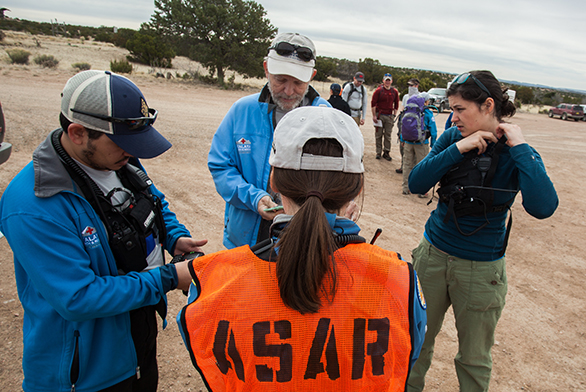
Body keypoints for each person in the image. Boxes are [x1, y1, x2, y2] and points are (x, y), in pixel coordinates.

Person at [178, 106, 427, 391]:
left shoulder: (215, 281)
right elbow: (408, 355)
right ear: (357, 188)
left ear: (273, 181)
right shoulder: (399, 279)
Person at [0, 70, 205, 392]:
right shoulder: (33, 204)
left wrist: (174, 236)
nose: (132, 152)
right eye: (123, 143)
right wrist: (168, 277)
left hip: (136, 329)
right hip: (84, 372)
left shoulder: (119, 160)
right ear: (79, 133)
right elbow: (78, 298)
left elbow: (153, 201)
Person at [407, 70, 558, 392]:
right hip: (432, 256)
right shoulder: (452, 138)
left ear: (488, 105)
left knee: (474, 359)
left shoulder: (517, 151)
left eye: (460, 109)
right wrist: (458, 149)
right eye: (451, 108)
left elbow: (543, 207)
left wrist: (520, 147)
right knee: (415, 344)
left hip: (481, 269)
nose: (453, 117)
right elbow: (416, 183)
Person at [208, 32, 330, 249]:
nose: (289, 91)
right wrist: (254, 199)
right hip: (245, 238)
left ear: (312, 76)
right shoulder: (242, 111)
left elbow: (339, 178)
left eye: (298, 82)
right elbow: (221, 166)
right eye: (281, 80)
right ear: (266, 69)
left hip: (303, 239)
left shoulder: (327, 116)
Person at [400, 92, 437, 196]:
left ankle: (405, 188)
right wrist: (433, 144)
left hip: (407, 142)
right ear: (425, 102)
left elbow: (403, 126)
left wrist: (402, 139)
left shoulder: (408, 111)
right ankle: (421, 191)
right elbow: (433, 130)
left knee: (407, 164)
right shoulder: (427, 113)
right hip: (421, 143)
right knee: (421, 166)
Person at [371, 72, 400, 160]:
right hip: (379, 115)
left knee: (388, 135)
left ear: (391, 81)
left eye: (389, 81)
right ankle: (378, 152)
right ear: (383, 81)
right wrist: (374, 116)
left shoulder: (394, 91)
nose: (387, 82)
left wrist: (394, 115)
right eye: (386, 80)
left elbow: (396, 104)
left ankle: (386, 152)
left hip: (389, 115)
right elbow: (373, 103)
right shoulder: (379, 91)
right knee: (378, 134)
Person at [397, 78, 421, 173]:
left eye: (413, 85)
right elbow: (402, 109)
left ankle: (412, 169)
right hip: (405, 122)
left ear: (417, 86)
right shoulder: (406, 96)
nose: (410, 87)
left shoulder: (420, 97)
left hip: (415, 125)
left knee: (413, 150)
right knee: (403, 147)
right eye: (409, 85)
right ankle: (403, 166)